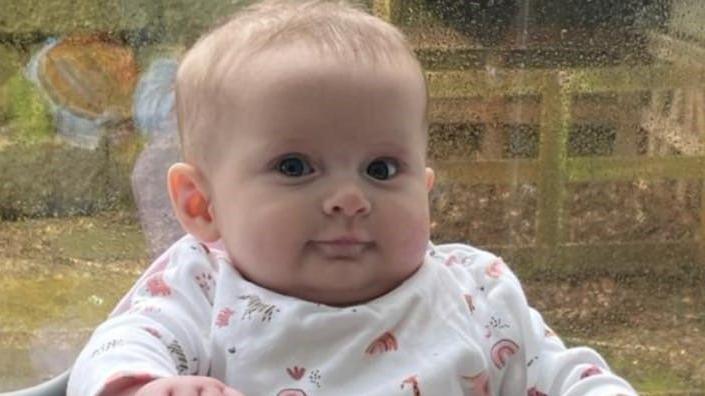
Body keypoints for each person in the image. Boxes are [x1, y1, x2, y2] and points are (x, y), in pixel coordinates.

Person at [67, 0, 637, 395]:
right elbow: (120, 346)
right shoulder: (197, 287)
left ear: (426, 191)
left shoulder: (476, 291)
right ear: (201, 204)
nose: (349, 198)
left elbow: (563, 375)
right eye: (294, 166)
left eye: (382, 168)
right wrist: (147, 386)